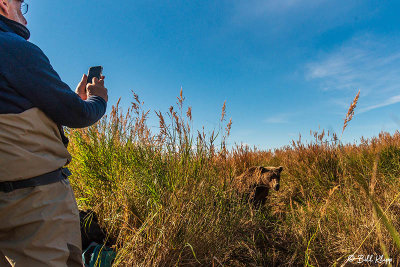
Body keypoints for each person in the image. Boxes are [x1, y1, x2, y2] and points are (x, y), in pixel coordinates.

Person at [0, 0, 109, 266]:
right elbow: (77, 115)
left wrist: (70, 99)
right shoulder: (14, 48)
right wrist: (98, 100)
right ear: (3, 6)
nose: (25, 20)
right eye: (21, 7)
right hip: (33, 204)